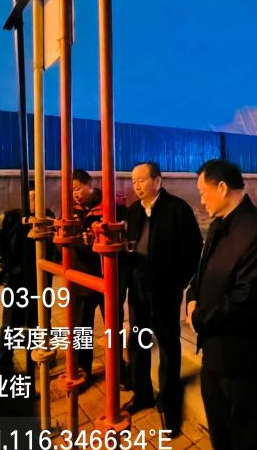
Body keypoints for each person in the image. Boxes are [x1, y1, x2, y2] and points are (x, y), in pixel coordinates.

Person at [186, 159, 257, 450]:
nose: (201, 200)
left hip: (249, 356)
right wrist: (192, 296)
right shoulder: (220, 224)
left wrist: (198, 318)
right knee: (218, 414)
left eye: (203, 192)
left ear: (222, 188)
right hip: (217, 349)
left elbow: (245, 302)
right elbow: (201, 271)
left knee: (248, 430)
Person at [123, 161, 203, 435]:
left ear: (158, 181)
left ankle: (168, 401)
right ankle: (142, 393)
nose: (136, 185)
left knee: (168, 343)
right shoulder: (133, 211)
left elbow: (193, 251)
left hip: (165, 289)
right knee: (137, 340)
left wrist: (177, 283)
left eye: (142, 180)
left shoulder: (177, 209)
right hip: (137, 286)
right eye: (134, 181)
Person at [0, 182, 55, 374]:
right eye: (32, 198)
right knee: (11, 321)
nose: (36, 203)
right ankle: (4, 361)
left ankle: (40, 355)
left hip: (40, 278)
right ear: (25, 199)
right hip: (16, 280)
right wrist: (12, 267)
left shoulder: (48, 217)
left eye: (39, 198)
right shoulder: (9, 217)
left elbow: (53, 245)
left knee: (41, 318)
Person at [71, 169, 130, 388]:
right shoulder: (71, 211)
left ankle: (118, 369)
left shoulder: (112, 207)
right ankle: (82, 369)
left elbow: (124, 238)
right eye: (71, 191)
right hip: (82, 278)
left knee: (113, 326)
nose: (75, 195)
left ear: (90, 184)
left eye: (78, 189)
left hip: (108, 276)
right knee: (81, 328)